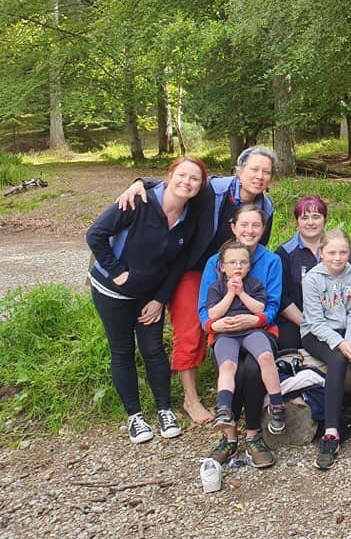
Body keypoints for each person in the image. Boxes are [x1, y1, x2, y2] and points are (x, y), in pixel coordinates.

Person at [116, 146, 277, 425]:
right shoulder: (214, 188)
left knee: (235, 320)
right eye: (254, 169)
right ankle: (190, 398)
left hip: (235, 269)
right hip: (193, 266)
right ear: (239, 170)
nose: (259, 176)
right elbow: (181, 183)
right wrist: (140, 182)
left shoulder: (266, 207)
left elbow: (258, 247)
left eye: (266, 172)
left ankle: (234, 385)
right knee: (191, 326)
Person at [86, 156, 207, 443]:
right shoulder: (138, 202)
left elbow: (178, 264)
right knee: (123, 351)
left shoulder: (190, 217)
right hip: (111, 292)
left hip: (149, 296)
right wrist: (117, 272)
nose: (187, 182)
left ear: (200, 186)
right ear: (169, 176)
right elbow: (95, 234)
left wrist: (159, 299)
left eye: (194, 179)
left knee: (153, 350)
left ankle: (164, 410)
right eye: (182, 175)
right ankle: (135, 417)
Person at [198, 205, 282, 469]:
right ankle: (229, 437)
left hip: (259, 329)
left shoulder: (271, 261)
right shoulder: (216, 262)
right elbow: (204, 310)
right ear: (233, 227)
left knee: (252, 367)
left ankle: (254, 435)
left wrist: (255, 319)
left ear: (263, 229)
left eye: (256, 225)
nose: (250, 230)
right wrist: (215, 325)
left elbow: (273, 306)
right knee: (230, 366)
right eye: (244, 225)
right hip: (224, 331)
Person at [302, 228, 351, 470]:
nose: (337, 258)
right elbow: (315, 322)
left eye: (343, 252)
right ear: (321, 252)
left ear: (349, 253)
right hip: (317, 334)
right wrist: (340, 344)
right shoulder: (313, 279)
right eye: (332, 252)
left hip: (349, 330)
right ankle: (331, 431)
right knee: (337, 360)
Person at [206, 241, 285, 435]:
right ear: (222, 267)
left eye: (243, 262)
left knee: (265, 356)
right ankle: (223, 408)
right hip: (227, 333)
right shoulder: (217, 288)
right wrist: (230, 293)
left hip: (252, 330)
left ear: (249, 266)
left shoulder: (254, 284)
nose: (238, 266)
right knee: (228, 366)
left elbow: (259, 309)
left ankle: (277, 404)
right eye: (232, 262)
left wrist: (241, 293)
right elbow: (213, 314)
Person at [275, 195, 328, 351]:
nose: (310, 223)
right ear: (297, 221)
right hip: (297, 320)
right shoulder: (284, 252)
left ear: (325, 220)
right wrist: (308, 324)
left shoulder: (336, 249)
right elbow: (282, 297)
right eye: (304, 218)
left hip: (332, 318)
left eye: (316, 217)